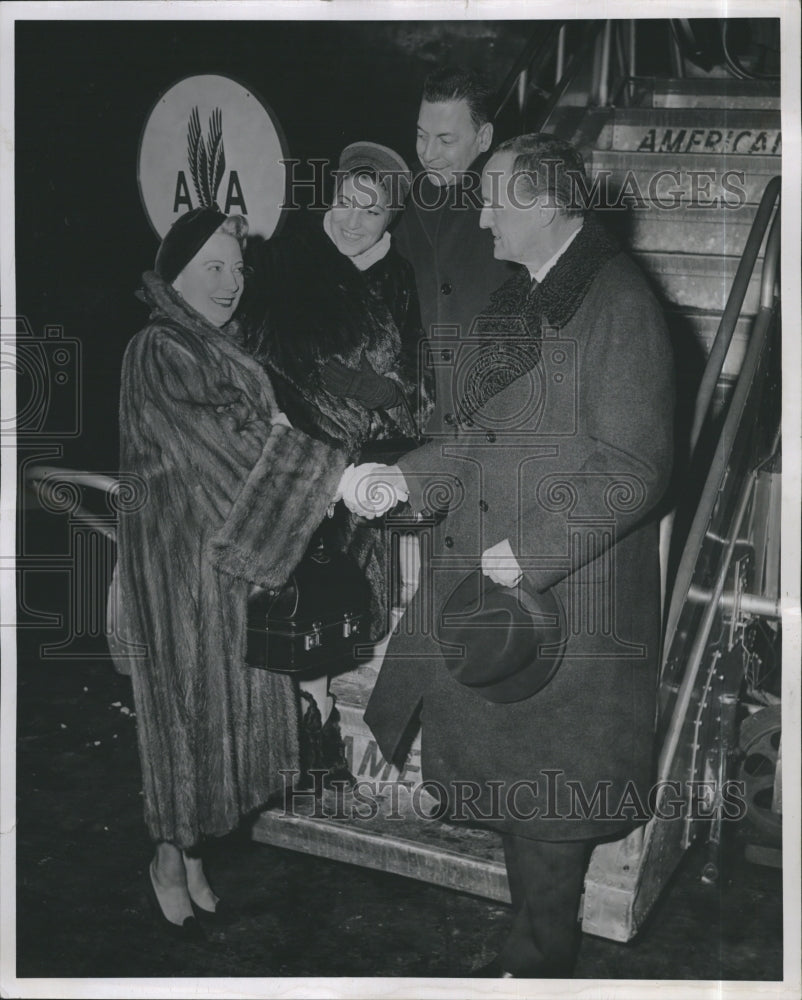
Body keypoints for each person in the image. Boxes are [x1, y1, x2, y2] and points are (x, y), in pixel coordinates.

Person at [353, 134, 675, 977]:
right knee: (523, 812)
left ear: (540, 202)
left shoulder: (617, 303)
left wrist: (519, 556)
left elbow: (635, 467)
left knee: (550, 823)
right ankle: (527, 963)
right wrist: (399, 481)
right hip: (513, 609)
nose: (482, 213)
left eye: (495, 197)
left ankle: (534, 974)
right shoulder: (524, 297)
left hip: (563, 611)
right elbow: (471, 441)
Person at [116, 207, 349, 936]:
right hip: (180, 568)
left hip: (222, 561)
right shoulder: (161, 348)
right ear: (178, 274)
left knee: (213, 719)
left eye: (237, 267)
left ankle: (190, 854)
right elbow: (223, 449)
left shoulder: (210, 344)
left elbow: (255, 435)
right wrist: (326, 474)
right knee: (182, 716)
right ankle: (167, 855)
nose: (230, 282)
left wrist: (295, 442)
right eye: (213, 267)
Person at [243, 142, 433, 782]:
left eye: (371, 210)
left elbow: (410, 384)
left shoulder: (398, 280)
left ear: (391, 218)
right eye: (346, 202)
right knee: (281, 594)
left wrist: (369, 394)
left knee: (329, 597)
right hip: (283, 454)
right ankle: (293, 729)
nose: (352, 220)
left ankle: (316, 720)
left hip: (357, 468)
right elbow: (250, 353)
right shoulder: (286, 258)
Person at [393, 65, 513, 432]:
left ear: (484, 137)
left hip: (498, 420)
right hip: (422, 422)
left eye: (446, 140)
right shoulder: (399, 192)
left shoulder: (520, 197)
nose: (428, 154)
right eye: (420, 135)